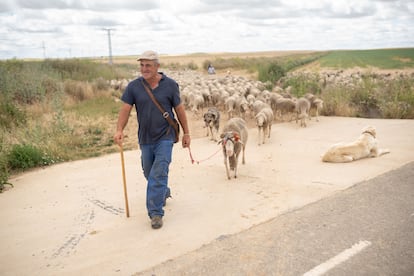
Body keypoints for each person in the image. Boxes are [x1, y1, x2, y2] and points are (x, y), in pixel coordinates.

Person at [113, 50, 191, 229]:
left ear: (157, 66)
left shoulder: (170, 85)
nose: (144, 68)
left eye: (148, 65)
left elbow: (179, 110)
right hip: (145, 138)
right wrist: (119, 130)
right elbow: (125, 109)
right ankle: (163, 191)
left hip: (165, 136)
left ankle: (155, 213)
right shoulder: (134, 86)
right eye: (141, 65)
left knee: (158, 172)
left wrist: (186, 133)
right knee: (148, 171)